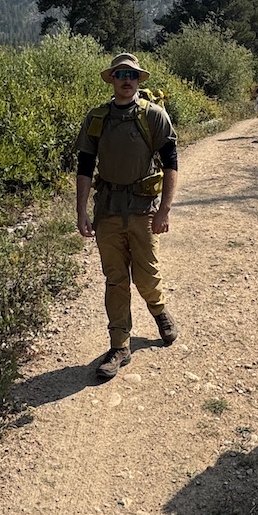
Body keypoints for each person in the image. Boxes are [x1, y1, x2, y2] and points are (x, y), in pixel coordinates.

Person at [75, 53, 180, 380]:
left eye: (132, 75)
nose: (126, 79)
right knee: (115, 278)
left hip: (143, 210)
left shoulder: (154, 116)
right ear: (112, 79)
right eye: (120, 73)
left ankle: (159, 310)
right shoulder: (97, 118)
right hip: (107, 211)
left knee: (146, 276)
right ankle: (120, 346)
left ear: (138, 80)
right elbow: (84, 167)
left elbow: (171, 162)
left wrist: (164, 209)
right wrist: (81, 210)